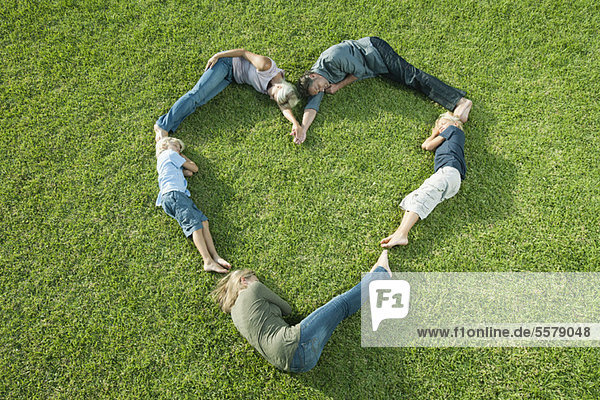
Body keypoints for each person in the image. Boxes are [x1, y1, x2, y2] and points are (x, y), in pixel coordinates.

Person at [212, 250, 392, 372]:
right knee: (341, 305)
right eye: (256, 278)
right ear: (244, 280)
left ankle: (370, 279)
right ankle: (382, 273)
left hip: (297, 365)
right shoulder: (254, 289)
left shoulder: (235, 315)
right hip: (294, 343)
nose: (259, 281)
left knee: (339, 310)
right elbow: (287, 309)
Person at [295, 37, 472, 144]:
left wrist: (338, 86)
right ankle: (455, 102)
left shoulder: (332, 58)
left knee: (412, 76)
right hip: (375, 68)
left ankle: (460, 102)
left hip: (376, 52)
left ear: (312, 76)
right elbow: (312, 106)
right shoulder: (318, 81)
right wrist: (303, 128)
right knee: (410, 83)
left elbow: (359, 71)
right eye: (318, 91)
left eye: (318, 87)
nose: (322, 90)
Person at [154, 49, 301, 142]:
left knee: (200, 101)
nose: (270, 98)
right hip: (226, 65)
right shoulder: (266, 66)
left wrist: (295, 123)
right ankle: (162, 126)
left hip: (231, 78)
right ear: (280, 86)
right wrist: (217, 56)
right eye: (273, 96)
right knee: (196, 95)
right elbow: (243, 52)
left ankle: (169, 126)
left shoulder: (279, 90)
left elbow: (283, 106)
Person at [381, 112, 466, 248]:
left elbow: (427, 146)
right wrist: (435, 134)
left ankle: (403, 234)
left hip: (448, 171)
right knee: (417, 198)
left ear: (455, 124)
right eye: (439, 126)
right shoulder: (447, 138)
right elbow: (425, 145)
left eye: (443, 123)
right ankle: (399, 233)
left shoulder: (454, 130)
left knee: (423, 196)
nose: (441, 127)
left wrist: (434, 134)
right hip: (451, 179)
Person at [155, 137, 231, 273]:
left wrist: (183, 166)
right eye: (177, 146)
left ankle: (215, 256)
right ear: (165, 145)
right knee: (195, 226)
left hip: (177, 196)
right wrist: (183, 157)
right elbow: (194, 168)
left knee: (203, 222)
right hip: (174, 195)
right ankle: (207, 261)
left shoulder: (164, 162)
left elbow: (187, 173)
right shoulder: (169, 154)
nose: (179, 149)